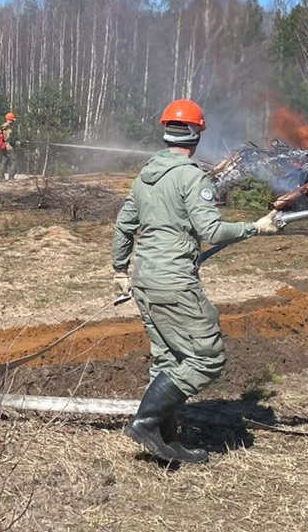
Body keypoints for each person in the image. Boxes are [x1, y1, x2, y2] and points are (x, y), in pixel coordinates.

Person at [111, 99, 280, 464]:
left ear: (166, 132)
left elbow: (124, 226)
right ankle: (145, 422)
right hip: (174, 282)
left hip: (144, 280)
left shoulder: (145, 175)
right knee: (207, 358)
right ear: (197, 135)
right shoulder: (191, 176)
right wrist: (256, 228)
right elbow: (212, 230)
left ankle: (167, 441)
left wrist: (120, 272)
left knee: (167, 360)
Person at [0, 112, 18, 180]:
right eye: (12, 120)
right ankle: (11, 177)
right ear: (10, 120)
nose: (13, 122)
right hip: (9, 147)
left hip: (4, 146)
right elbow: (9, 138)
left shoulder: (3, 127)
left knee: (4, 161)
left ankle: (1, 177)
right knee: (14, 161)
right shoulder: (8, 127)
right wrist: (17, 142)